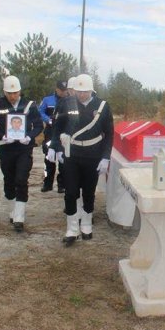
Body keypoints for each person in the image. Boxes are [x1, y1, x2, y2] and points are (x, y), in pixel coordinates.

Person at [49, 74, 113, 246]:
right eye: (78, 91)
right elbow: (58, 127)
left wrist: (106, 157)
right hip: (72, 153)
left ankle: (86, 224)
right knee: (70, 192)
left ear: (91, 90)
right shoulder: (67, 103)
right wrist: (56, 147)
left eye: (85, 91)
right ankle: (71, 229)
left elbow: (109, 134)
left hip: (93, 154)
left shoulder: (102, 106)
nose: (81, 95)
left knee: (88, 192)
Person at [0, 75, 43, 232]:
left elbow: (39, 125)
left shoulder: (29, 105)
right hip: (6, 148)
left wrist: (29, 136)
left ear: (20, 91)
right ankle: (12, 210)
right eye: (9, 93)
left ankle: (19, 216)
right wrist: (2, 136)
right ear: (4, 92)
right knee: (9, 180)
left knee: (21, 179)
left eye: (15, 93)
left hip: (24, 149)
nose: (12, 96)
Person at [38, 81, 68, 193]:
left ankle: (62, 184)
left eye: (65, 90)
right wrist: (48, 120)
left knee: (63, 159)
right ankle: (47, 183)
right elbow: (40, 112)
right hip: (50, 132)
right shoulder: (47, 100)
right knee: (48, 158)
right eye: (61, 90)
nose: (63, 92)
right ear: (56, 89)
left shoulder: (69, 101)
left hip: (63, 133)